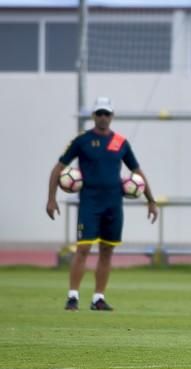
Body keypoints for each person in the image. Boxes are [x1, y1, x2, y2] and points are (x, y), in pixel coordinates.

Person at [46, 96, 158, 312]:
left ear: (112, 116)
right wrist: (51, 198)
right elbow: (58, 168)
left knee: (107, 250)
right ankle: (73, 297)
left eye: (107, 113)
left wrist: (151, 201)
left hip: (114, 205)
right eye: (100, 113)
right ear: (94, 116)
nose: (103, 117)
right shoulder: (82, 141)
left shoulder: (120, 143)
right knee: (83, 248)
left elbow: (137, 172)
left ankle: (98, 298)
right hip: (89, 204)